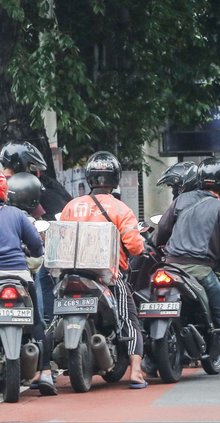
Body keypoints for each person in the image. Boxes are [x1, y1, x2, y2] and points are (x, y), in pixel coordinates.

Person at [154, 157, 220, 379]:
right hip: (200, 270)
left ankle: (151, 364)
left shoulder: (180, 201)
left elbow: (161, 232)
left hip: (170, 267)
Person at [60, 151, 147, 389]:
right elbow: (135, 246)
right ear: (115, 179)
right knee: (129, 318)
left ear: (90, 178)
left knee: (50, 317)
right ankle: (137, 371)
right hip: (106, 275)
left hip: (71, 272)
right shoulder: (121, 209)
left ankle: (43, 371)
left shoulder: (71, 206)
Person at [0, 140, 72, 325]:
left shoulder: (7, 184)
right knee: (41, 278)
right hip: (20, 265)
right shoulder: (25, 187)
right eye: (31, 166)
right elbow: (38, 234)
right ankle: (44, 330)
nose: (33, 172)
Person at [0, 171, 57, 395]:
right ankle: (44, 372)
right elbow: (36, 246)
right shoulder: (17, 214)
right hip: (19, 276)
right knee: (35, 322)